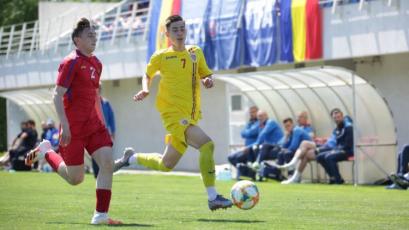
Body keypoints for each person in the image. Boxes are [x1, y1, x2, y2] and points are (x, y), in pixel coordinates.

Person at [114, 15, 233, 211]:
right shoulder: (161, 56)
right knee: (207, 145)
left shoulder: (196, 52)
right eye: (175, 30)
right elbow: (147, 74)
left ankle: (131, 158)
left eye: (182, 28)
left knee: (165, 164)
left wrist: (207, 80)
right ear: (167, 34)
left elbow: (205, 73)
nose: (179, 32)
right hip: (173, 115)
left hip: (191, 115)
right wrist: (145, 88)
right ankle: (213, 197)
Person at [24, 18, 124, 225]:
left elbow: (95, 96)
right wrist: (66, 125)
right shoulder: (70, 62)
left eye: (95, 35)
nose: (94, 38)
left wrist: (103, 123)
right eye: (89, 35)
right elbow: (57, 95)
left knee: (106, 163)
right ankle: (47, 151)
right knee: (75, 178)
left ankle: (101, 216)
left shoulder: (97, 63)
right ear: (77, 40)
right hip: (73, 128)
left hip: (94, 126)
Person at [279, 108, 353, 184]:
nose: (298, 119)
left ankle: (293, 166)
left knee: (304, 144)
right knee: (306, 154)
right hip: (323, 146)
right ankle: (295, 177)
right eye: (335, 118)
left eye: (300, 117)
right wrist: (323, 139)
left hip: (327, 147)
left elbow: (294, 146)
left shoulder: (302, 129)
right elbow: (334, 139)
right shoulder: (337, 128)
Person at [227, 106, 260, 177]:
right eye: (250, 112)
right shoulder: (250, 123)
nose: (251, 114)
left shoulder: (260, 123)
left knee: (239, 158)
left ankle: (248, 173)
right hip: (246, 149)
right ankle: (247, 172)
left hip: (253, 149)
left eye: (253, 112)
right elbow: (242, 133)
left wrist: (248, 133)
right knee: (231, 157)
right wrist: (249, 132)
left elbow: (251, 132)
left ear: (258, 112)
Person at [92, 85, 116, 178]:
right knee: (94, 154)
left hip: (105, 132)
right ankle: (96, 174)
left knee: (106, 152)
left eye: (99, 88)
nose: (98, 90)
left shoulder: (106, 103)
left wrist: (113, 131)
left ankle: (104, 172)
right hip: (93, 132)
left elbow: (111, 118)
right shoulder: (91, 102)